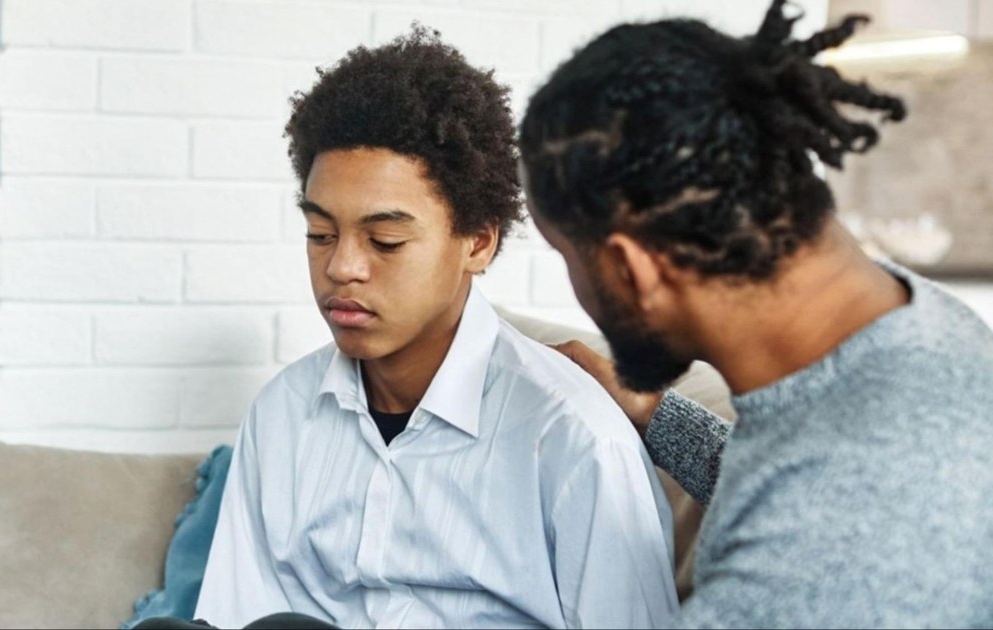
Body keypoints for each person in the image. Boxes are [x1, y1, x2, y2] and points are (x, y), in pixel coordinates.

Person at [519, 0, 993, 627]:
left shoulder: (827, 566)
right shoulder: (910, 320)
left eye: (566, 257)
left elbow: (832, 528)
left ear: (633, 269)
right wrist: (653, 414)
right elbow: (801, 483)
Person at [188, 28, 679, 629]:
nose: (341, 267)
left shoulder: (574, 439)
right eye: (320, 234)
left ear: (478, 241)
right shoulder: (282, 416)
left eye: (385, 240)